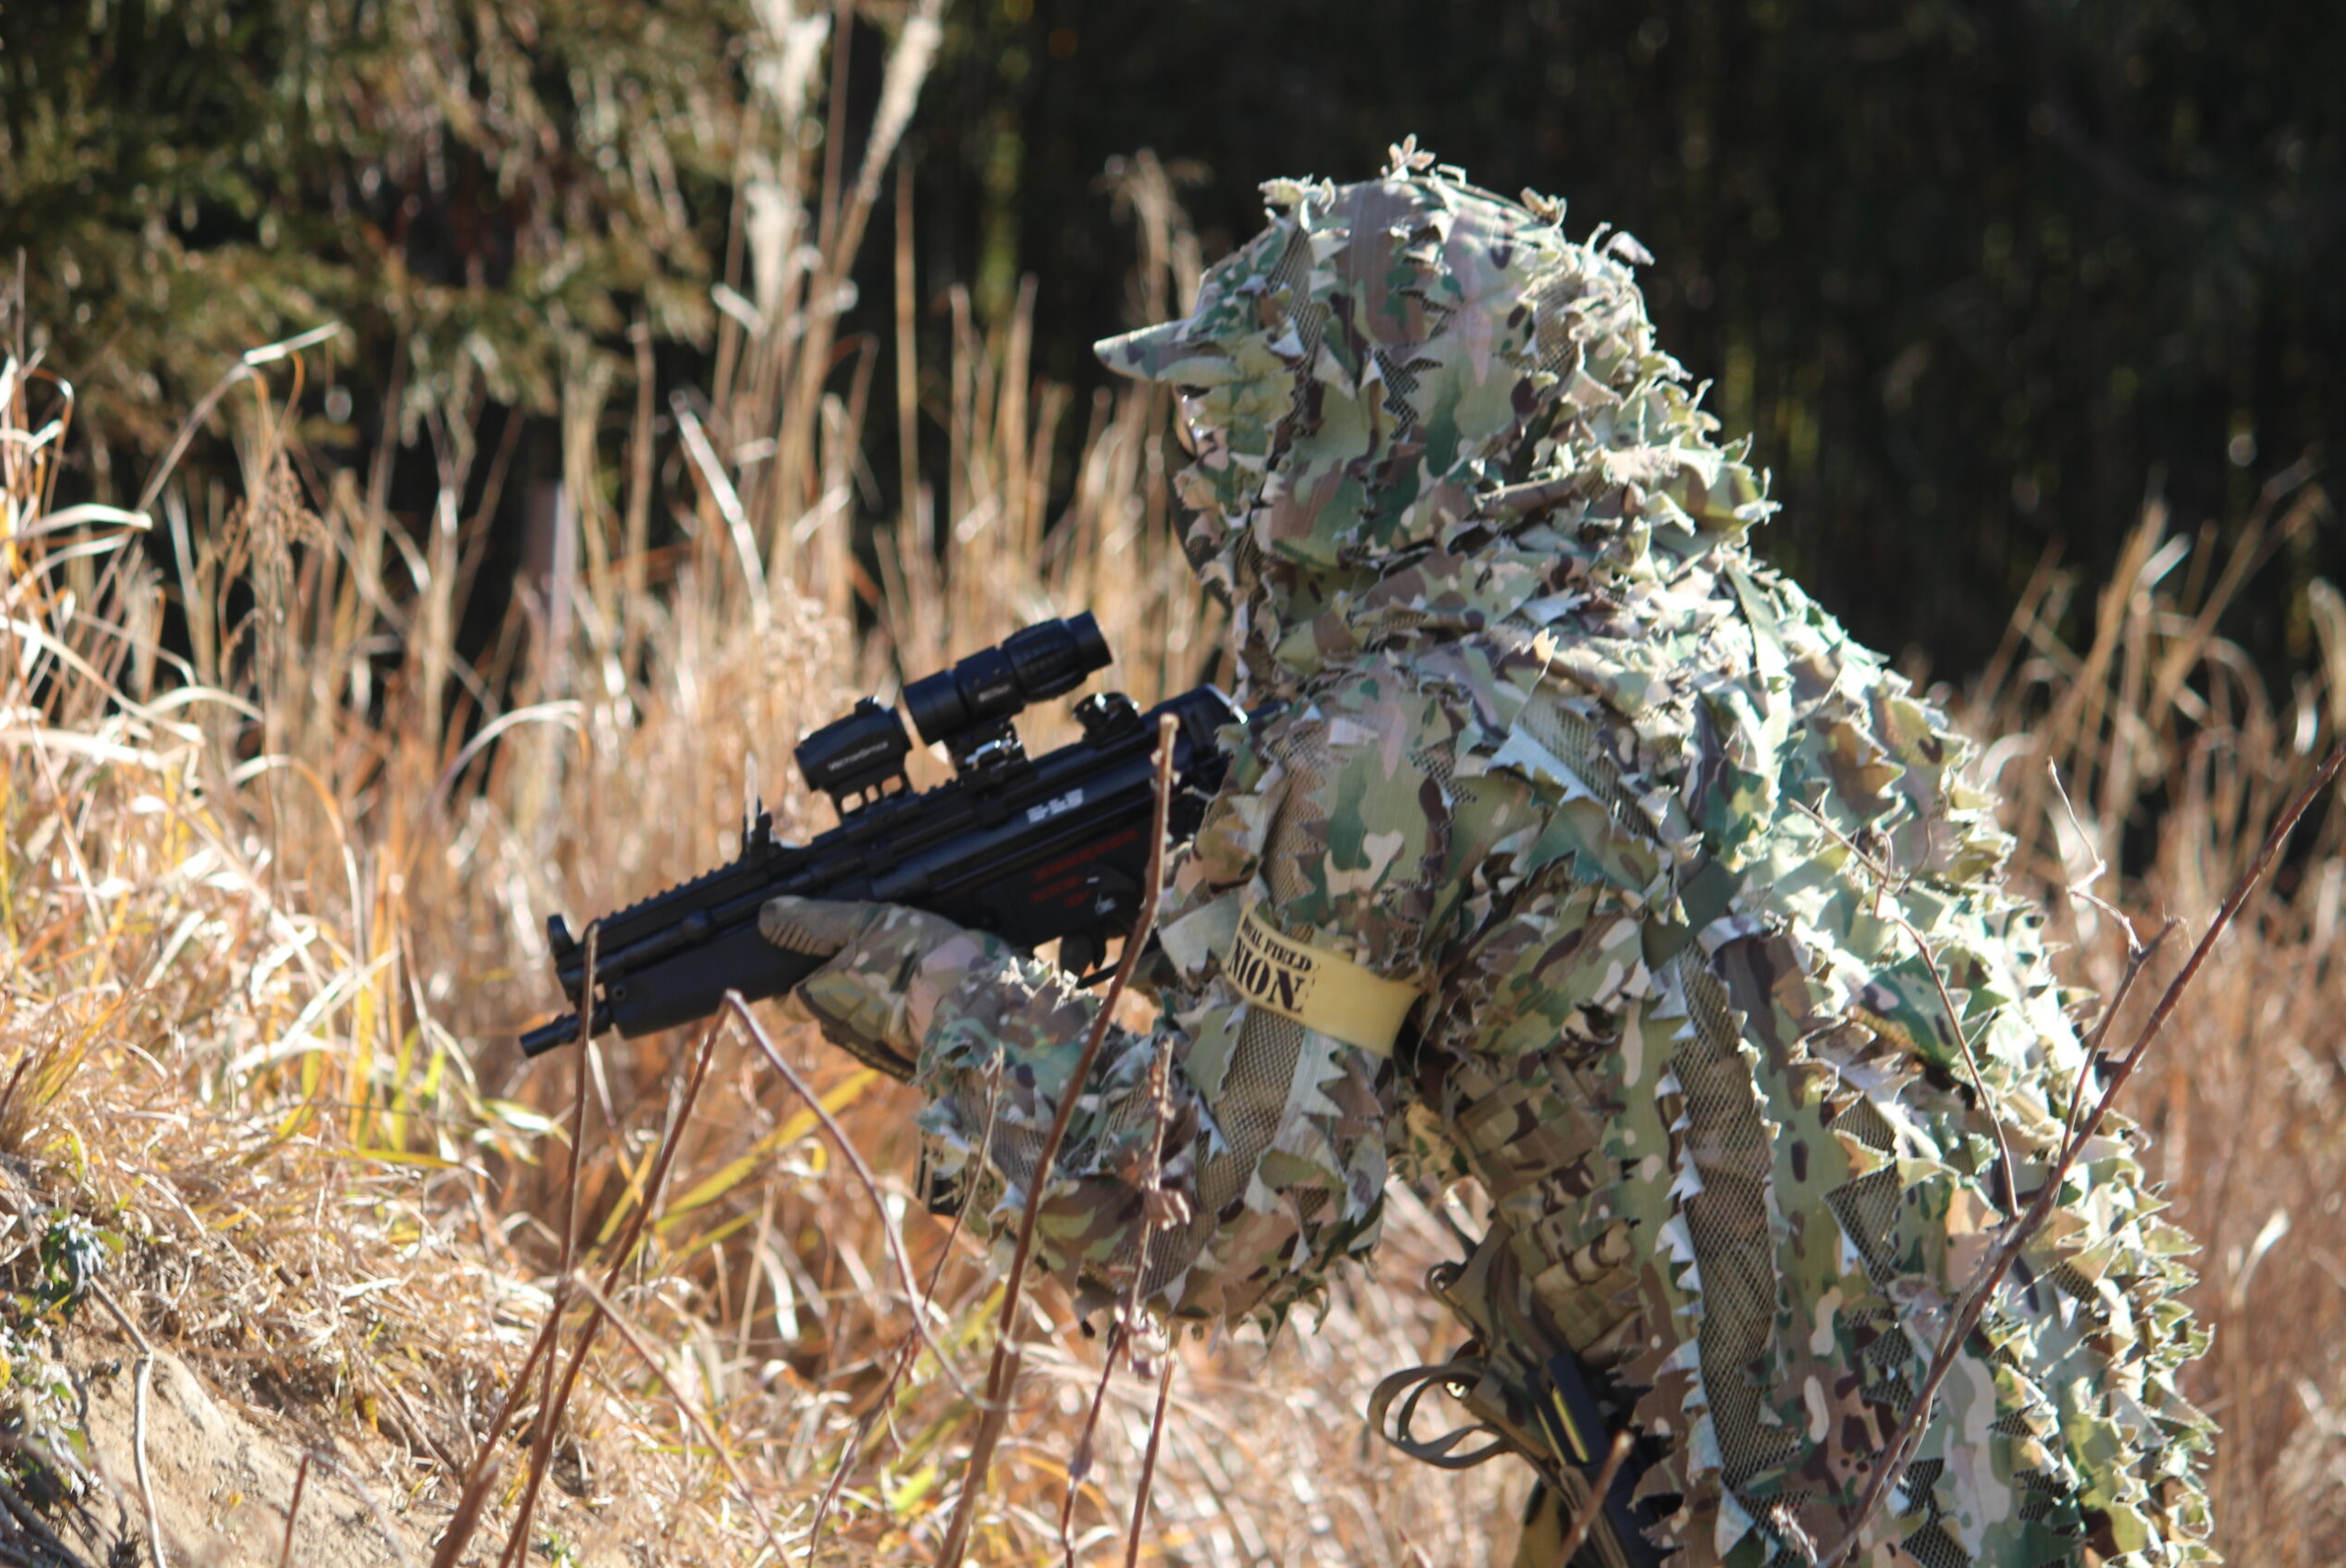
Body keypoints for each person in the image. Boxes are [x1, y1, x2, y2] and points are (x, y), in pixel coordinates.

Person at [757, 143, 2214, 1566]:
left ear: (1364, 436)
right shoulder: (1772, 651)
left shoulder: (1390, 746)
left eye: (1251, 422)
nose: (1214, 476)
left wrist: (941, 995)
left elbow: (1210, 1223)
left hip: (1824, 1508)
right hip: (2056, 1469)